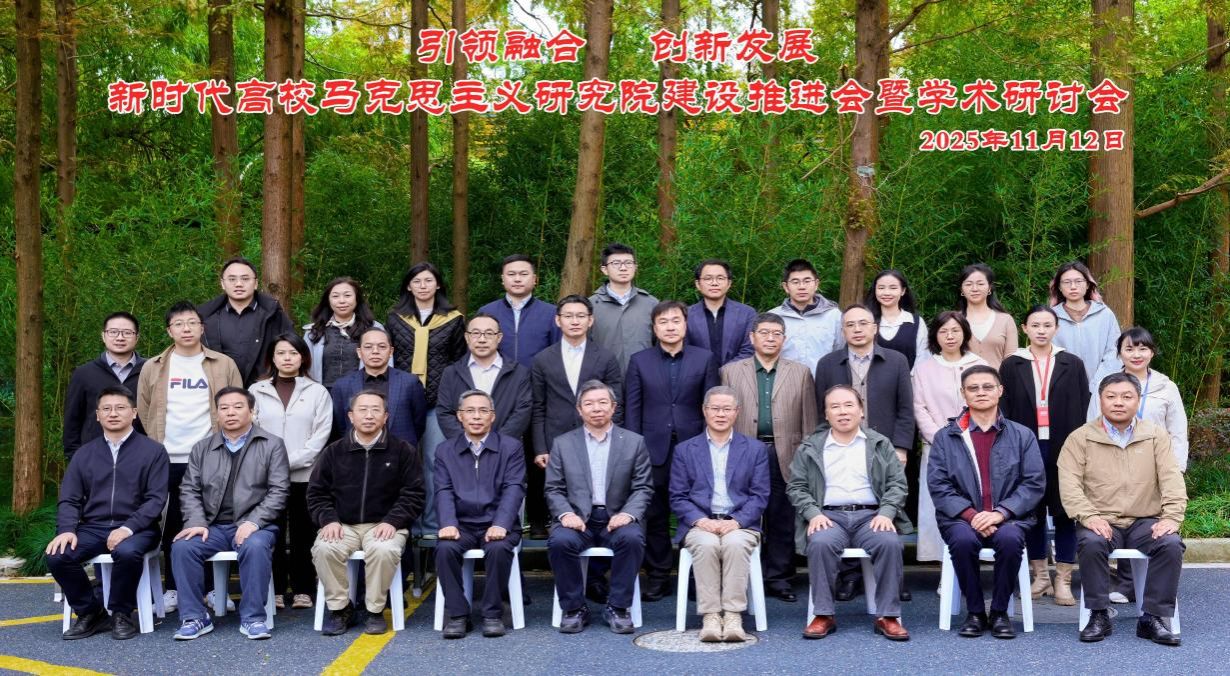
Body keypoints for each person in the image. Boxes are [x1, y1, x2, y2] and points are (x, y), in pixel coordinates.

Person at [1059, 373, 1187, 646]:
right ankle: (1098, 614)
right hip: (1101, 519)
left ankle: (1153, 617)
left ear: (1138, 401)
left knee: (1170, 543)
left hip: (1145, 520)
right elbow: (1069, 486)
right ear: (1100, 400)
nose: (1119, 402)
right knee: (1091, 542)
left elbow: (1172, 479)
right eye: (1111, 396)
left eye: (1127, 397)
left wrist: (1171, 517)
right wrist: (1089, 516)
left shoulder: (1155, 435)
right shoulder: (1080, 438)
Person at [136, 301, 242, 613]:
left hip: (212, 455)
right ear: (169, 331)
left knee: (213, 521)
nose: (186, 329)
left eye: (192, 323)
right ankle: (173, 588)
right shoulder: (153, 366)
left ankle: (213, 588)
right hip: (167, 456)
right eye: (179, 324)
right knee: (172, 523)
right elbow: (144, 407)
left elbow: (237, 404)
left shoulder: (223, 364)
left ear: (202, 327)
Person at [926, 366, 1044, 639]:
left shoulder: (1022, 435)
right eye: (973, 388)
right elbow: (939, 485)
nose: (981, 392)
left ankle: (1000, 612)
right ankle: (976, 612)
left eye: (988, 387)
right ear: (963, 393)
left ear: (1000, 391)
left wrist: (1000, 513)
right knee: (963, 541)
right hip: (960, 517)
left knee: (1010, 540)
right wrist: (972, 515)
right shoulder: (947, 437)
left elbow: (1033, 483)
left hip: (1010, 517)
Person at [788, 385, 911, 641]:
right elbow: (796, 486)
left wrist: (886, 512)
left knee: (889, 543)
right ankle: (823, 614)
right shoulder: (811, 446)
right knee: (820, 543)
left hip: (871, 516)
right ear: (826, 414)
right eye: (835, 407)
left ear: (861, 410)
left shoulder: (879, 444)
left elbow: (897, 484)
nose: (842, 412)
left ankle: (888, 616)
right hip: (828, 517)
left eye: (848, 405)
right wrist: (813, 513)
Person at [46, 386, 169, 640]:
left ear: (134, 413)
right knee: (58, 556)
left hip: (139, 528)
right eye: (106, 409)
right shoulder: (84, 454)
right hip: (93, 527)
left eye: (120, 408)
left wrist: (127, 528)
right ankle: (91, 613)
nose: (113, 413)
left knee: (126, 551)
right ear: (97, 415)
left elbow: (156, 499)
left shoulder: (153, 451)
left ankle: (121, 613)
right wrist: (67, 529)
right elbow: (69, 498)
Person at [813, 304, 915, 603]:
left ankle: (893, 579)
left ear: (875, 328)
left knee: (886, 511)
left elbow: (905, 408)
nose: (857, 329)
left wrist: (901, 447)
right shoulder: (828, 363)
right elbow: (821, 412)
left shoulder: (896, 361)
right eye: (850, 325)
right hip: (843, 446)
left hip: (885, 449)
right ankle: (850, 576)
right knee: (846, 505)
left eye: (863, 323)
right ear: (843, 330)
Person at [170, 387, 289, 640]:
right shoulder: (202, 448)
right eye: (224, 408)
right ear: (217, 414)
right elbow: (189, 489)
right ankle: (195, 617)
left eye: (238, 406)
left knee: (254, 546)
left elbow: (279, 491)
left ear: (251, 411)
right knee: (183, 547)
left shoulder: (272, 444)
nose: (230, 412)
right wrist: (196, 522)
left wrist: (254, 522)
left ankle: (253, 618)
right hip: (213, 526)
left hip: (255, 525)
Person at [624, 300, 720, 601]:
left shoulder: (704, 358)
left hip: (695, 449)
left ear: (685, 325)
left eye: (675, 320)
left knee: (697, 512)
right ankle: (658, 575)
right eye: (663, 322)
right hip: (652, 450)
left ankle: (696, 576)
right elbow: (632, 409)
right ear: (654, 328)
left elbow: (711, 406)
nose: (670, 326)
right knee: (655, 515)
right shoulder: (640, 361)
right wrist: (635, 449)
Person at [308, 390, 425, 636]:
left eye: (375, 410)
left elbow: (414, 494)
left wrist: (393, 521)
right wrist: (328, 520)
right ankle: (341, 609)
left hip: (385, 524)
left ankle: (375, 611)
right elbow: (317, 494)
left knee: (384, 550)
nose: (369, 415)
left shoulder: (403, 450)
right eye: (362, 410)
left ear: (386, 417)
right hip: (343, 525)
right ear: (351, 416)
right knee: (325, 548)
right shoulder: (334, 451)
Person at [1089, 327, 1191, 605]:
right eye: (1129, 348)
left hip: (1155, 466)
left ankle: (1146, 587)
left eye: (1143, 348)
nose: (1136, 354)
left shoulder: (1166, 387)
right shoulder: (1108, 385)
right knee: (1120, 515)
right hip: (1113, 463)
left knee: (1149, 524)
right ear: (1119, 353)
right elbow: (1092, 425)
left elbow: (1177, 430)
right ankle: (1126, 584)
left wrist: (1176, 469)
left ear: (1152, 352)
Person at [721, 313, 817, 602]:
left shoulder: (800, 372)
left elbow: (809, 422)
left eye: (777, 333)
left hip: (783, 452)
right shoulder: (730, 372)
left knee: (781, 516)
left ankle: (779, 578)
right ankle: (742, 578)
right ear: (752, 338)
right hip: (743, 451)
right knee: (743, 512)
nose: (771, 338)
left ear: (784, 339)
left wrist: (806, 458)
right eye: (764, 333)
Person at [545, 381, 653, 635]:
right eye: (589, 403)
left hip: (617, 517)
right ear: (579, 409)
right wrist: (566, 514)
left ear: (613, 407)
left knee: (632, 539)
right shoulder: (563, 443)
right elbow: (553, 488)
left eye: (603, 402)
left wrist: (627, 514)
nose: (596, 408)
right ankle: (574, 608)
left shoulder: (634, 442)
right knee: (560, 541)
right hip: (577, 519)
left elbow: (643, 487)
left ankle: (618, 607)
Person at [999, 305, 1089, 606]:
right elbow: (1004, 409)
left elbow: (1083, 406)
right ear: (1024, 328)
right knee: (1032, 511)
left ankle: (1063, 579)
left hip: (1064, 445)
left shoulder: (1071, 364)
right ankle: (1039, 576)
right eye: (1035, 325)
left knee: (1065, 511)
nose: (1041, 330)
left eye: (1047, 325)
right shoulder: (1012, 364)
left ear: (1056, 328)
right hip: (1026, 446)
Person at [670, 386, 769, 642]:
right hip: (700, 523)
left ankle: (733, 614)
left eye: (727, 409)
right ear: (704, 411)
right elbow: (678, 496)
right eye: (715, 408)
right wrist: (701, 520)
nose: (721, 414)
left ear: (737, 412)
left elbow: (760, 495)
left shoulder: (755, 449)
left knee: (735, 544)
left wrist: (737, 521)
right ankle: (711, 615)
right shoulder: (685, 449)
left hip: (741, 523)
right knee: (706, 544)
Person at [434, 390, 527, 639]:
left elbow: (514, 487)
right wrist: (448, 523)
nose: (476, 416)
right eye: (470, 411)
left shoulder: (511, 447)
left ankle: (492, 614)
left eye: (483, 411)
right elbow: (443, 490)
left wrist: (501, 523)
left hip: (498, 524)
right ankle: (457, 615)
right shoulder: (445, 450)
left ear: (492, 416)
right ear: (460, 416)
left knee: (498, 548)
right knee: (445, 549)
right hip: (462, 525)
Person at [250, 333, 333, 610]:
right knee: (270, 532)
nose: (287, 358)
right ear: (272, 358)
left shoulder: (318, 392)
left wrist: (288, 462)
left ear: (303, 357)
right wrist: (271, 465)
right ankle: (273, 589)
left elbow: (320, 436)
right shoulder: (256, 391)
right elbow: (251, 432)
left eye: (293, 353)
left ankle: (303, 589)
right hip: (265, 478)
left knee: (303, 533)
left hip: (305, 475)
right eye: (281, 353)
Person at [530, 295, 623, 540]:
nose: (574, 321)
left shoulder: (605, 357)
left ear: (590, 321)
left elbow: (617, 403)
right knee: (557, 493)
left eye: (580, 316)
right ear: (557, 320)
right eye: (568, 316)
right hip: (555, 437)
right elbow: (537, 405)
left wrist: (616, 441)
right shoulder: (542, 359)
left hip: (598, 436)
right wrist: (540, 447)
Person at [386, 262, 466, 534]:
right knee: (402, 463)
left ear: (438, 284)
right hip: (402, 401)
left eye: (428, 280)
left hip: (438, 402)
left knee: (433, 462)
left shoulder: (454, 319)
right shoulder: (395, 318)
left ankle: (430, 526)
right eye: (417, 281)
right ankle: (404, 524)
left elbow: (458, 362)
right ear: (409, 286)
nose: (423, 286)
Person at [911, 311, 989, 564]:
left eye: (955, 330)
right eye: (943, 331)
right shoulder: (924, 369)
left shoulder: (980, 364)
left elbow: (987, 402)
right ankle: (941, 562)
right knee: (939, 501)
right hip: (936, 446)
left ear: (965, 333)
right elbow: (919, 407)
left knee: (975, 498)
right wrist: (940, 438)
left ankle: (974, 554)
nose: (950, 336)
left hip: (975, 444)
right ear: (935, 336)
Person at [435, 313, 533, 444]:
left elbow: (522, 413)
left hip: (506, 449)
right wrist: (467, 443)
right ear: (467, 337)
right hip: (461, 449)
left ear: (499, 337)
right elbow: (444, 412)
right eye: (476, 333)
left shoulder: (519, 373)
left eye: (489, 333)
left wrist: (496, 444)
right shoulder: (451, 373)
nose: (482, 339)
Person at [198, 257, 295, 387]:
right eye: (232, 279)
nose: (238, 284)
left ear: (255, 283)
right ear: (222, 284)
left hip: (266, 388)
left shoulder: (273, 315)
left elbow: (293, 350)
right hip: (221, 390)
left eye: (245, 279)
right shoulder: (206, 318)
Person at [63, 312, 147, 463]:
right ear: (103, 336)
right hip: (94, 458)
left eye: (127, 332)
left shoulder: (151, 370)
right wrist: (76, 458)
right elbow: (72, 420)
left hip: (140, 457)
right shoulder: (84, 373)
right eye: (113, 332)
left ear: (137, 337)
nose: (120, 337)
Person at [330, 327, 428, 448]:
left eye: (382, 346)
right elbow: (340, 425)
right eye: (368, 347)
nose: (375, 351)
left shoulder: (410, 382)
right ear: (359, 352)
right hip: (357, 452)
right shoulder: (342, 386)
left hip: (401, 452)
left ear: (391, 351)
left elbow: (419, 423)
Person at [477, 254, 560, 368]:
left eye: (524, 274)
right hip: (496, 377)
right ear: (503, 279)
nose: (517, 279)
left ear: (534, 279)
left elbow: (558, 353)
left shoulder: (551, 313)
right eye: (511, 274)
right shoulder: (487, 312)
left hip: (537, 377)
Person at [303, 277, 386, 390]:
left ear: (357, 298)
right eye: (335, 296)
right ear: (328, 300)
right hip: (323, 393)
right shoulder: (314, 331)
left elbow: (386, 363)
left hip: (363, 393)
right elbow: (304, 367)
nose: (342, 301)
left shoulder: (374, 329)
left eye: (347, 295)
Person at [589, 242, 660, 372]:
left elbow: (660, 343)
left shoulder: (651, 303)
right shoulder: (591, 306)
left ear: (635, 267)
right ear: (604, 269)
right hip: (604, 376)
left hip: (645, 375)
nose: (623, 268)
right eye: (616, 263)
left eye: (628, 263)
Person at [1049, 261, 1120, 382]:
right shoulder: (1051, 317)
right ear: (1059, 287)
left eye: (1078, 281)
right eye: (1066, 282)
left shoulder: (1104, 314)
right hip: (1062, 385)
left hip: (1101, 385)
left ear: (1087, 284)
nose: (1073, 286)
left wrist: (1099, 383)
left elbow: (1114, 352)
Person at [768, 259, 843, 370]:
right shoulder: (773, 317)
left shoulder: (834, 316)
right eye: (795, 282)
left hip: (823, 378)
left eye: (807, 281)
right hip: (784, 379)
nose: (802, 287)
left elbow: (841, 352)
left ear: (816, 284)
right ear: (786, 287)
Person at [686, 259, 757, 366]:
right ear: (698, 284)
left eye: (720, 278)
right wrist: (706, 372)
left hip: (736, 374)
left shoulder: (747, 313)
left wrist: (726, 371)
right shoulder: (686, 315)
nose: (714, 283)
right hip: (697, 374)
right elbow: (684, 350)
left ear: (729, 283)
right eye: (708, 278)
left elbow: (749, 350)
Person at [955, 263, 1018, 368]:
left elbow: (1012, 362)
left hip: (998, 378)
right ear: (961, 289)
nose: (974, 289)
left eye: (980, 284)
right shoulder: (954, 320)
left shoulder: (1005, 320)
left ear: (989, 288)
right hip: (961, 378)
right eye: (968, 284)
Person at [865, 269, 929, 369]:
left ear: (903, 291)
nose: (886, 293)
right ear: (875, 291)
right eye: (881, 288)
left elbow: (923, 359)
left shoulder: (916, 322)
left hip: (909, 378)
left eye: (893, 288)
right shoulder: (866, 321)